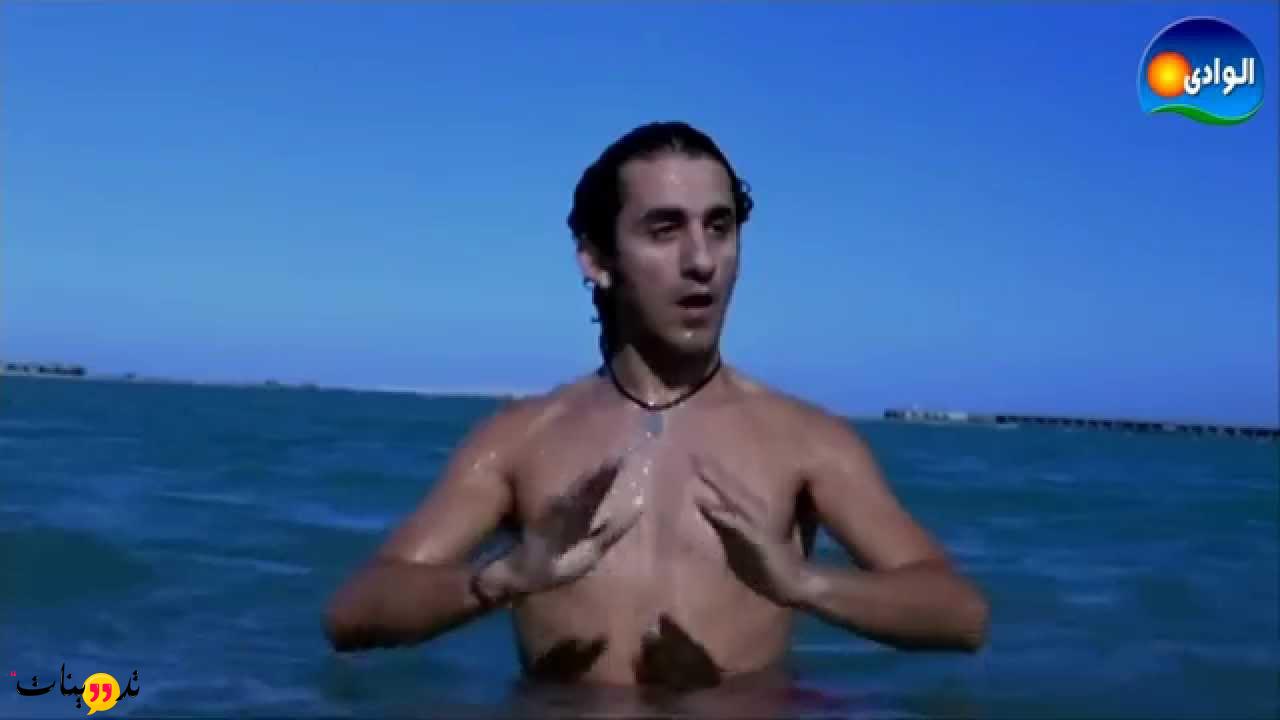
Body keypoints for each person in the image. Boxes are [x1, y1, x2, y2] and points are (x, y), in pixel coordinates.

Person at [324, 121, 990, 695]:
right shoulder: (520, 439)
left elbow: (960, 615)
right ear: (597, 258)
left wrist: (805, 584)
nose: (701, 260)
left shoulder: (806, 441)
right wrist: (500, 580)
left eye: (719, 227)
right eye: (665, 229)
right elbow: (352, 613)